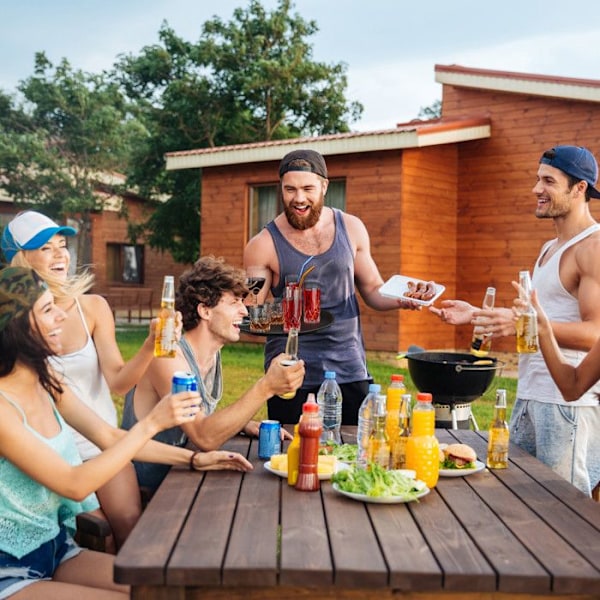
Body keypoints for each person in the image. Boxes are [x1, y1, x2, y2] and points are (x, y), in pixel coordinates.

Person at [0, 266, 251, 599]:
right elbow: (74, 484)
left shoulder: (47, 381)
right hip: (9, 570)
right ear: (17, 326)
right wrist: (152, 423)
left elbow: (109, 437)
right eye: (48, 309)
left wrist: (192, 459)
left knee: (165, 592)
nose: (61, 315)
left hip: (56, 549)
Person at [430, 145, 600, 496]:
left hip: (567, 407)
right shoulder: (549, 248)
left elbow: (595, 333)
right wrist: (477, 314)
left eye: (549, 181)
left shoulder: (593, 249)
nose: (536, 189)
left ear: (580, 188)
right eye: (537, 179)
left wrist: (523, 323)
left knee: (562, 509)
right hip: (531, 395)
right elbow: (534, 319)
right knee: (521, 501)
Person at [1, 210, 161, 551]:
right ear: (20, 259)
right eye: (46, 248)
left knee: (130, 525)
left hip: (103, 441)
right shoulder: (11, 324)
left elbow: (119, 383)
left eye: (62, 245)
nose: (60, 254)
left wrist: (150, 345)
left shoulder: (92, 307)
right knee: (96, 536)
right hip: (53, 455)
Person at [243, 148, 426, 426]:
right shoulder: (262, 245)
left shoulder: (351, 228)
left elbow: (373, 288)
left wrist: (403, 298)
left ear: (324, 186)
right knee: (293, 448)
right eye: (290, 189)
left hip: (349, 367)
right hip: (291, 374)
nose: (299, 198)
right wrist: (293, 312)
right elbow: (250, 311)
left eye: (308, 189)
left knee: (355, 446)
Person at [121, 255, 305, 492]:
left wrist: (244, 423)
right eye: (234, 302)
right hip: (147, 490)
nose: (245, 311)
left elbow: (196, 415)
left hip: (183, 479)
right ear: (205, 311)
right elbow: (203, 436)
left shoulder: (212, 355)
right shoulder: (168, 356)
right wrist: (266, 387)